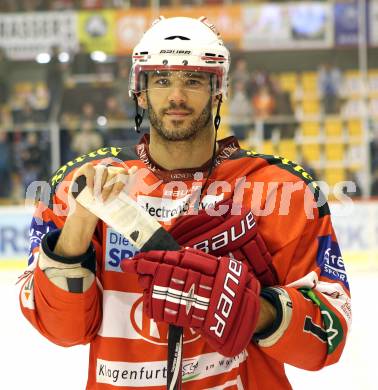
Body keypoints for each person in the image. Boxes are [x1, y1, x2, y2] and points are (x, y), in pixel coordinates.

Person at [19, 17, 351, 389]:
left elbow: (329, 337)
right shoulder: (77, 185)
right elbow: (60, 330)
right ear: (140, 92)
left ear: (218, 90)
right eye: (161, 80)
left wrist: (253, 311)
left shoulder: (282, 190)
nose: (176, 96)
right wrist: (79, 228)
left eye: (193, 80)